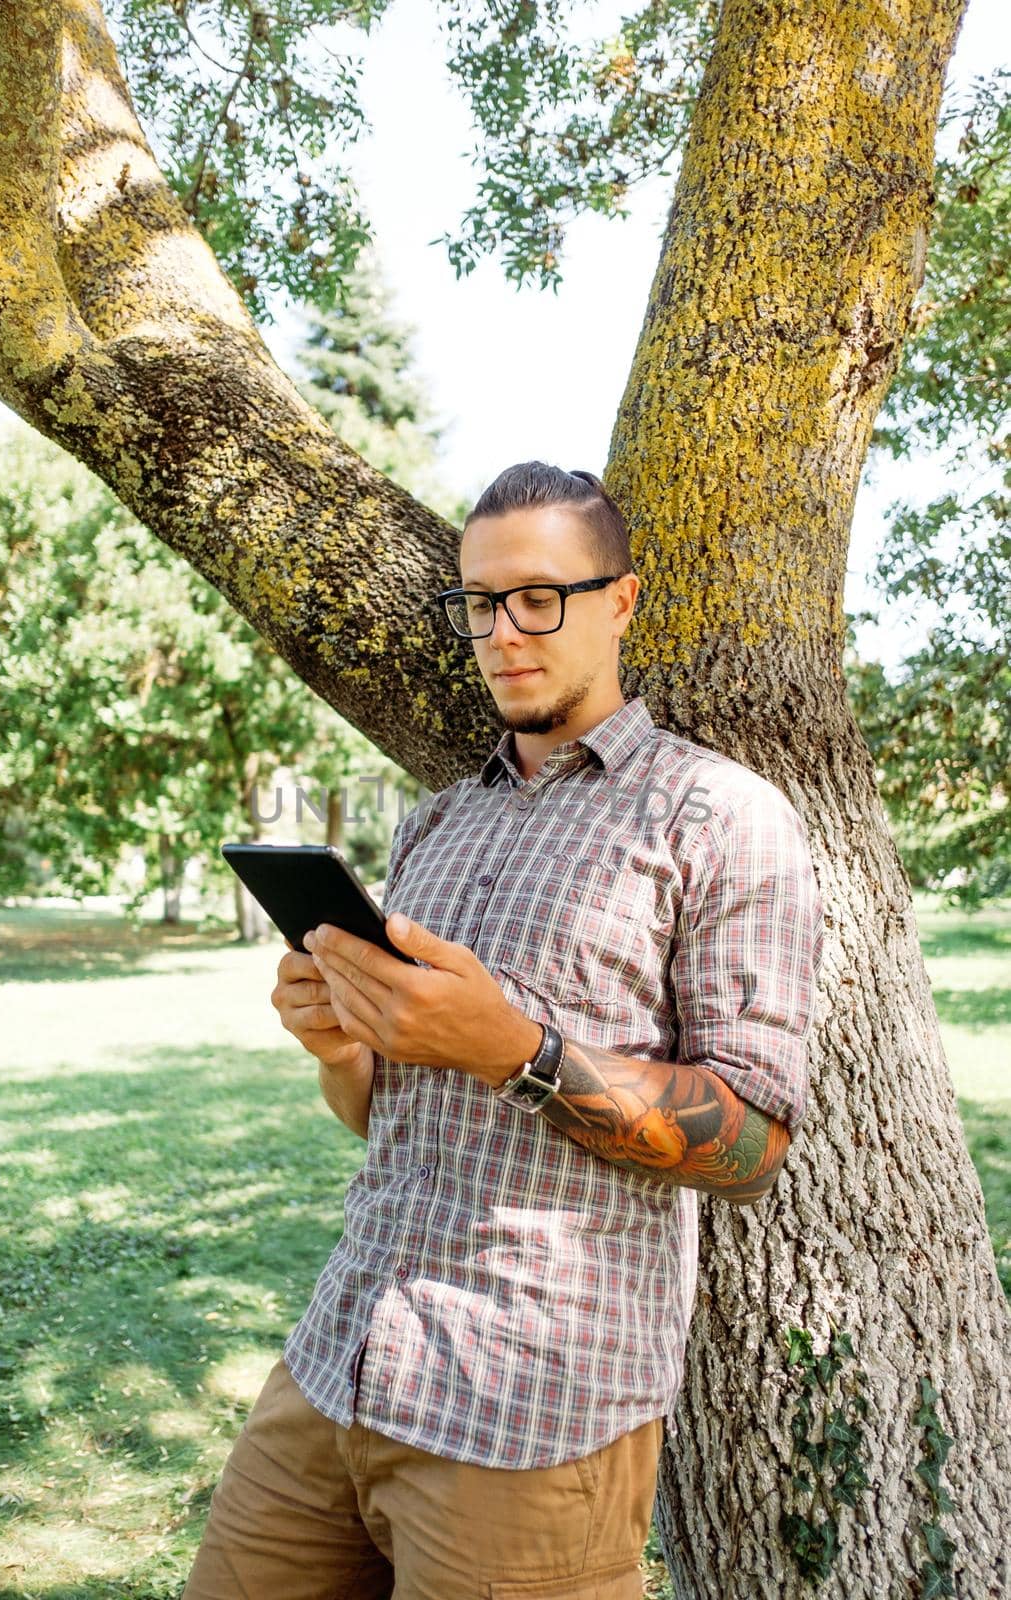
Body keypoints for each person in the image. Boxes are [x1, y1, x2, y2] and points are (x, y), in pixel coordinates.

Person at [182, 462, 825, 1599]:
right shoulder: (436, 818)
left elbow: (750, 1144)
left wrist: (512, 1049)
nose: (500, 631)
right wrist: (343, 1045)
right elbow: (380, 1113)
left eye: (538, 597)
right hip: (339, 1362)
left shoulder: (719, 817)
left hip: (533, 1413)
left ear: (619, 600)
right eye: (478, 602)